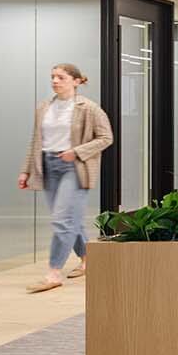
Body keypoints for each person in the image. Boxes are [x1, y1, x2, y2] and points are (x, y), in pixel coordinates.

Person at [18, 63, 114, 293]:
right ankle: (88, 259)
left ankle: (53, 273)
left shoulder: (89, 108)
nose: (55, 81)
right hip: (48, 166)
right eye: (52, 77)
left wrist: (77, 152)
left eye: (61, 77)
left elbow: (105, 137)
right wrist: (26, 170)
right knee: (72, 220)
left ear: (76, 81)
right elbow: (36, 140)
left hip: (74, 167)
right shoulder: (44, 107)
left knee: (63, 221)